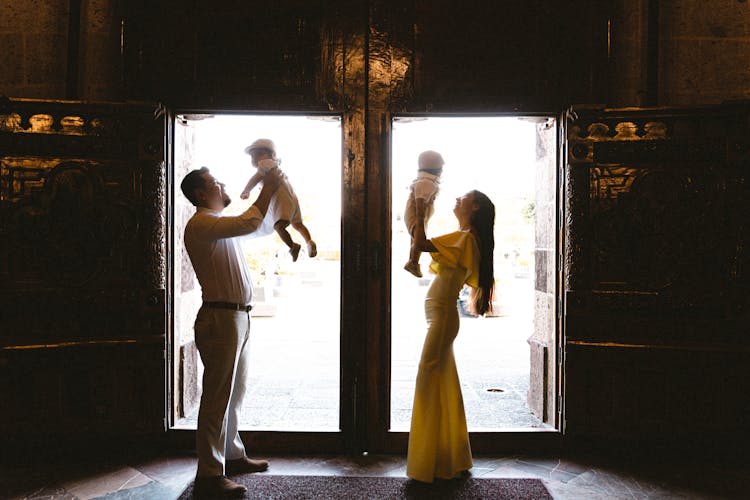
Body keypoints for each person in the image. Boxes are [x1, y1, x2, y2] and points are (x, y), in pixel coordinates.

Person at [181, 165, 283, 498]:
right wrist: (267, 185)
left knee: (234, 392)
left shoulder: (218, 225)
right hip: (221, 318)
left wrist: (277, 193)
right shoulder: (202, 223)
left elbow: (260, 226)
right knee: (216, 398)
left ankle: (232, 455)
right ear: (199, 193)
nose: (221, 184)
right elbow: (250, 221)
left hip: (237, 318)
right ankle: (210, 475)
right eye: (214, 183)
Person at [406, 190, 496, 484]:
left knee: (428, 377)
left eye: (465, 197)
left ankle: (428, 462)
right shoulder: (463, 235)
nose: (458, 199)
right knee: (443, 381)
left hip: (443, 318)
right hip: (441, 317)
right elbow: (422, 245)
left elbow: (420, 244)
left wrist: (419, 210)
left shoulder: (466, 238)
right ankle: (448, 457)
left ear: (476, 207)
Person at [240, 138, 317, 262]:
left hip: (282, 198)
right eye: (252, 156)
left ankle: (293, 246)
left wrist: (247, 190)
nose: (254, 159)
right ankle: (309, 241)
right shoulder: (276, 166)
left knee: (279, 227)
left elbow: (255, 178)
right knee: (297, 224)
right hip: (292, 196)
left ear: (271, 154)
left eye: (258, 154)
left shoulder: (265, 163)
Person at [403, 150, 444, 278]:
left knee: (416, 239)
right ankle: (413, 262)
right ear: (436, 170)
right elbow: (419, 200)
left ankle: (412, 261)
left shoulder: (426, 181)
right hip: (417, 216)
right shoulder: (426, 183)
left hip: (420, 216)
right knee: (419, 239)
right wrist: (420, 219)